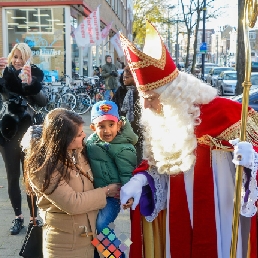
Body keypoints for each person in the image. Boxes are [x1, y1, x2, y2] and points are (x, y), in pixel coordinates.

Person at [119, 21, 258, 258]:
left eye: (151, 97)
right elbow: (157, 167)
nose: (145, 105)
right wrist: (140, 181)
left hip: (223, 217)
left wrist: (252, 159)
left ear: (173, 96)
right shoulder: (164, 122)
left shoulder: (229, 113)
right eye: (142, 97)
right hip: (179, 216)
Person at [22, 108, 120, 257]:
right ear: (64, 139)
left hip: (98, 231)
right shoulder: (41, 166)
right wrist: (107, 191)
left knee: (121, 254)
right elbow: (72, 203)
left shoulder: (80, 150)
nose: (84, 135)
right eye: (79, 134)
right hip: (67, 246)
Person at [0, 43, 47, 235]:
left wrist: (29, 84)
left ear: (28, 59)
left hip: (30, 133)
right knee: (13, 178)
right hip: (9, 132)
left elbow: (44, 101)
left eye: (22, 57)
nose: (18, 60)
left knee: (31, 178)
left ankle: (34, 218)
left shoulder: (34, 75)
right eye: (15, 56)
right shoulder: (5, 75)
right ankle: (18, 217)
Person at [87, 100, 138, 235]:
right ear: (93, 127)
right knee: (93, 227)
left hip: (113, 196)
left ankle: (118, 255)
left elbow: (127, 173)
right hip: (98, 192)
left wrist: (129, 195)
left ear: (119, 125)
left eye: (111, 125)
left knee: (102, 226)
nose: (107, 130)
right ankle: (102, 253)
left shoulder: (123, 148)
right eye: (101, 126)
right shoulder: (91, 141)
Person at [113, 65, 143, 165]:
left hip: (140, 129)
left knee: (140, 155)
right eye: (123, 77)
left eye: (127, 77)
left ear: (134, 77)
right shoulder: (121, 90)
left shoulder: (142, 91)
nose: (124, 79)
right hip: (124, 128)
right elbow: (114, 106)